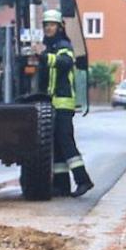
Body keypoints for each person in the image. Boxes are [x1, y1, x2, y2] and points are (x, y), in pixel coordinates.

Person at [42, 12, 94, 197]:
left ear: (60, 27)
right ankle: (61, 185)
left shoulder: (64, 46)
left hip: (63, 103)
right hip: (51, 103)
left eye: (52, 25)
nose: (48, 28)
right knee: (56, 144)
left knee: (65, 141)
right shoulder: (47, 46)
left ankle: (83, 180)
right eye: (46, 25)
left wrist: (42, 56)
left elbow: (64, 62)